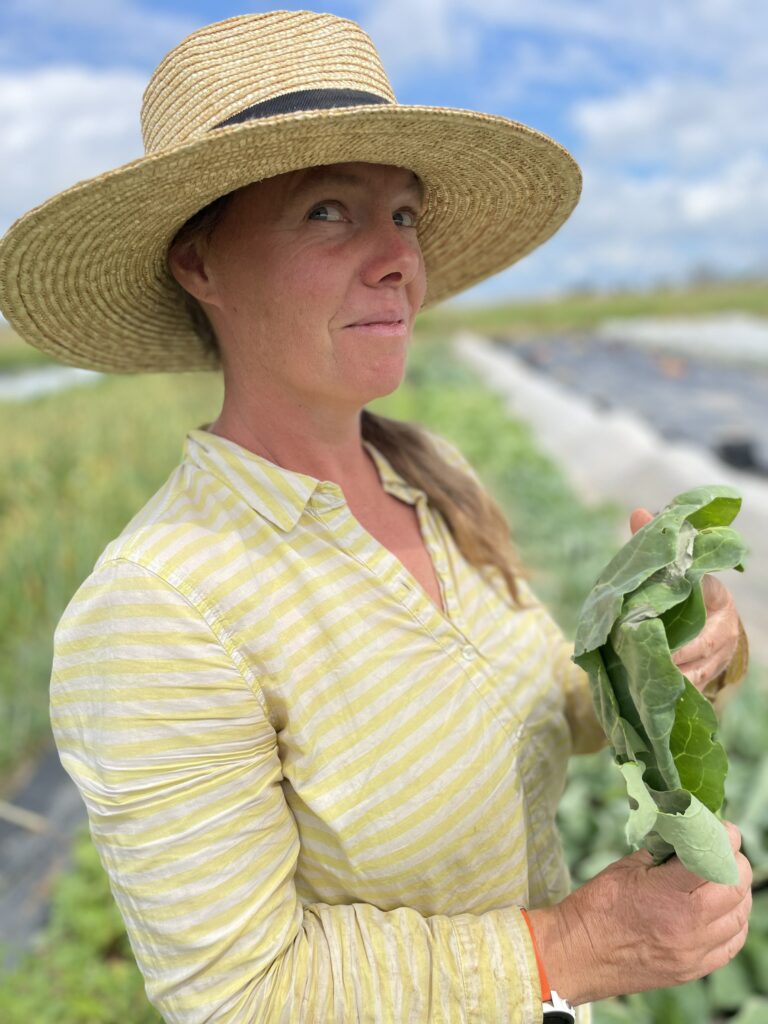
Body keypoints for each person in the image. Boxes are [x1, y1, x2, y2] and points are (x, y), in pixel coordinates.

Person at [0, 10, 751, 1024]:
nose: (399, 258)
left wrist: (653, 660)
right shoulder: (159, 612)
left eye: (402, 215)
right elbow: (237, 994)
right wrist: (574, 944)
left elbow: (542, 707)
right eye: (325, 211)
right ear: (199, 265)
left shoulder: (426, 475)